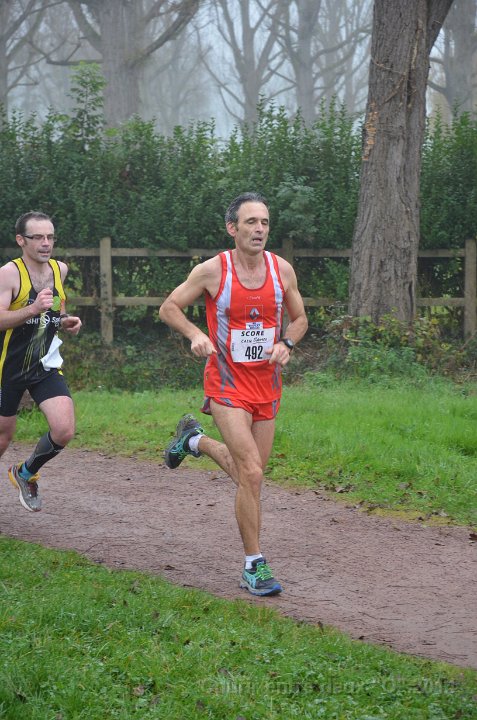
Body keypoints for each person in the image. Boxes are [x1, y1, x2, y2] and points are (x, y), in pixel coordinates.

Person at [159, 192, 308, 596]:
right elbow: (169, 307)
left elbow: (300, 319)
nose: (259, 229)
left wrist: (287, 343)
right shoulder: (213, 271)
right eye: (251, 222)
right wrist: (195, 334)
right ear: (232, 228)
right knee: (252, 473)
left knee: (250, 476)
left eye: (265, 222)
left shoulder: (282, 270)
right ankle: (253, 565)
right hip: (226, 383)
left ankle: (194, 441)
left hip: (266, 386)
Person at [0, 211, 82, 512]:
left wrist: (65, 320)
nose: (46, 243)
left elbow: (55, 308)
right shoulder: (8, 274)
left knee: (64, 430)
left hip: (43, 364)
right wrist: (32, 309)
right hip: (6, 368)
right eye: (38, 237)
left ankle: (25, 473)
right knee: (3, 437)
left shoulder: (60, 269)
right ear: (21, 240)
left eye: (50, 237)